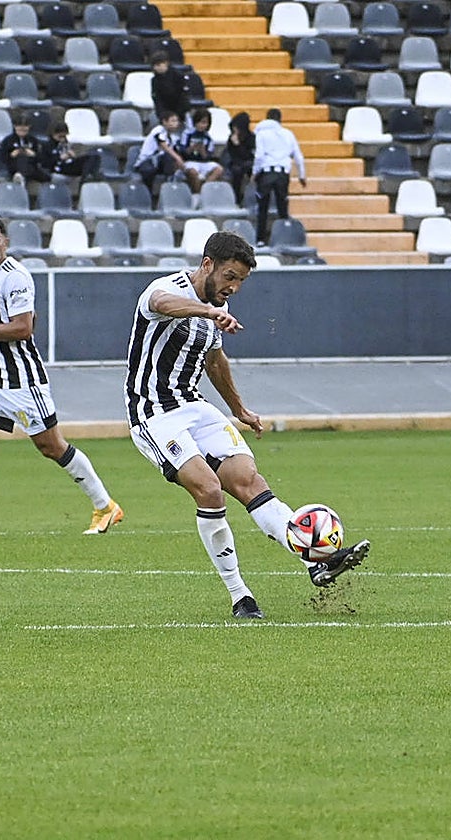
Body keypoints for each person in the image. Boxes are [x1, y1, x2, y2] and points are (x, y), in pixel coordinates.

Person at [122, 230, 370, 619]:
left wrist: (239, 409)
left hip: (195, 407)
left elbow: (215, 362)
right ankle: (240, 596)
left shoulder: (215, 310)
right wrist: (207, 311)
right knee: (209, 490)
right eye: (229, 277)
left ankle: (315, 563)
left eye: (241, 281)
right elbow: (160, 303)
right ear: (207, 265)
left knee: (249, 480)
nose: (234, 287)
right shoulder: (168, 290)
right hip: (153, 412)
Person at [0, 217, 123, 536]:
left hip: (23, 381)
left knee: (52, 446)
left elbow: (24, 327)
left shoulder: (15, 277)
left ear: (6, 242)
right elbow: (27, 320)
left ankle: (105, 506)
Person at [252, 108, 306, 245]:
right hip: (282, 173)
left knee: (263, 206)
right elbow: (298, 156)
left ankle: (260, 239)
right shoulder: (288, 134)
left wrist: (255, 172)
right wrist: (302, 175)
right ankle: (285, 237)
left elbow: (259, 155)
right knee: (282, 207)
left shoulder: (261, 134)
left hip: (266, 172)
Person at [133, 111, 186, 191]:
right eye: (173, 121)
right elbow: (164, 147)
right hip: (147, 161)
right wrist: (178, 158)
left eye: (177, 121)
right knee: (167, 157)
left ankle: (169, 186)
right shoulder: (158, 130)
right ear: (165, 122)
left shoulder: (173, 137)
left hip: (159, 163)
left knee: (171, 161)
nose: (176, 123)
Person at [177, 108, 225, 193]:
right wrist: (191, 148)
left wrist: (202, 151)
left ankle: (204, 191)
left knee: (219, 169)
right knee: (193, 172)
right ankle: (197, 194)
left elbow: (208, 156)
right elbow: (182, 151)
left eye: (204, 123)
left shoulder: (208, 137)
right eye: (200, 122)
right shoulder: (187, 134)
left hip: (203, 163)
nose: (201, 125)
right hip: (190, 161)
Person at [0, 114, 49, 184]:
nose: (22, 128)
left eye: (25, 126)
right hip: (13, 166)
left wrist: (33, 154)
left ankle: (21, 175)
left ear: (29, 127)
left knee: (46, 177)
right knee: (21, 159)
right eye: (20, 126)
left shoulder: (33, 140)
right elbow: (2, 157)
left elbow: (40, 158)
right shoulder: (8, 140)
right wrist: (12, 154)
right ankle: (19, 176)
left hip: (31, 166)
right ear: (15, 126)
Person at [222, 112, 255, 206]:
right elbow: (231, 154)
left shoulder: (251, 138)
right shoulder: (231, 139)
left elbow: (248, 155)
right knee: (237, 171)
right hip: (236, 163)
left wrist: (238, 145)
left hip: (249, 162)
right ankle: (237, 198)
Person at [150, 51, 190, 124]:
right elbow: (157, 99)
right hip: (164, 115)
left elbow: (182, 97)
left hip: (181, 113)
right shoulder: (154, 80)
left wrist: (177, 116)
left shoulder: (178, 76)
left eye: (158, 65)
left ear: (166, 63)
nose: (156, 68)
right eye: (154, 66)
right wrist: (163, 116)